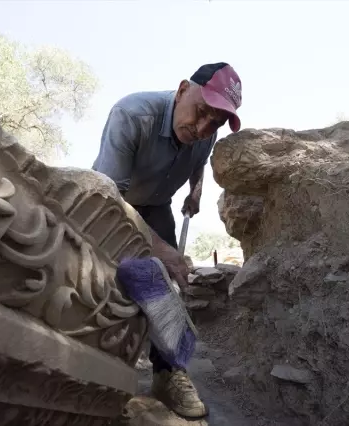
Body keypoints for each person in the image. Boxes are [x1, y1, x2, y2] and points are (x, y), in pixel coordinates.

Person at [92, 62, 242, 418]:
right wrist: (161, 249)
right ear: (181, 90)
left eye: (216, 123)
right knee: (121, 277)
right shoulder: (132, 114)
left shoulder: (206, 132)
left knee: (168, 286)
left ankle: (168, 371)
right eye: (201, 112)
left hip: (158, 206)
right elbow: (109, 200)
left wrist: (196, 192)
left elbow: (199, 160)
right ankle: (96, 369)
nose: (204, 127)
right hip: (113, 204)